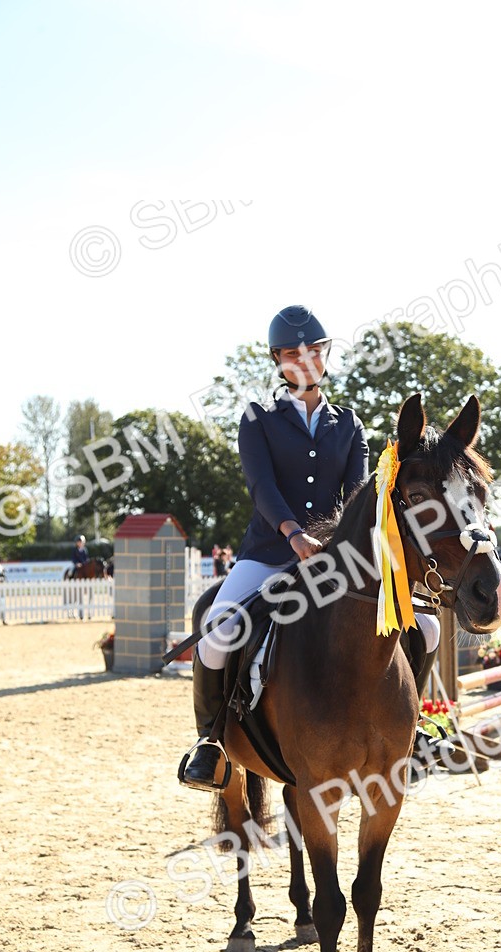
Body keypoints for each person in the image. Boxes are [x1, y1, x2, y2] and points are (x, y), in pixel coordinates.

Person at [181, 304, 443, 790]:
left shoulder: (349, 425)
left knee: (425, 625)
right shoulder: (258, 418)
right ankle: (211, 742)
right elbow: (262, 487)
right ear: (277, 361)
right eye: (291, 355)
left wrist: (338, 546)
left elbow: (358, 493)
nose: (304, 362)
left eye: (313, 352)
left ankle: (417, 723)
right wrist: (292, 533)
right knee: (218, 631)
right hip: (269, 552)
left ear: (324, 355)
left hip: (335, 560)